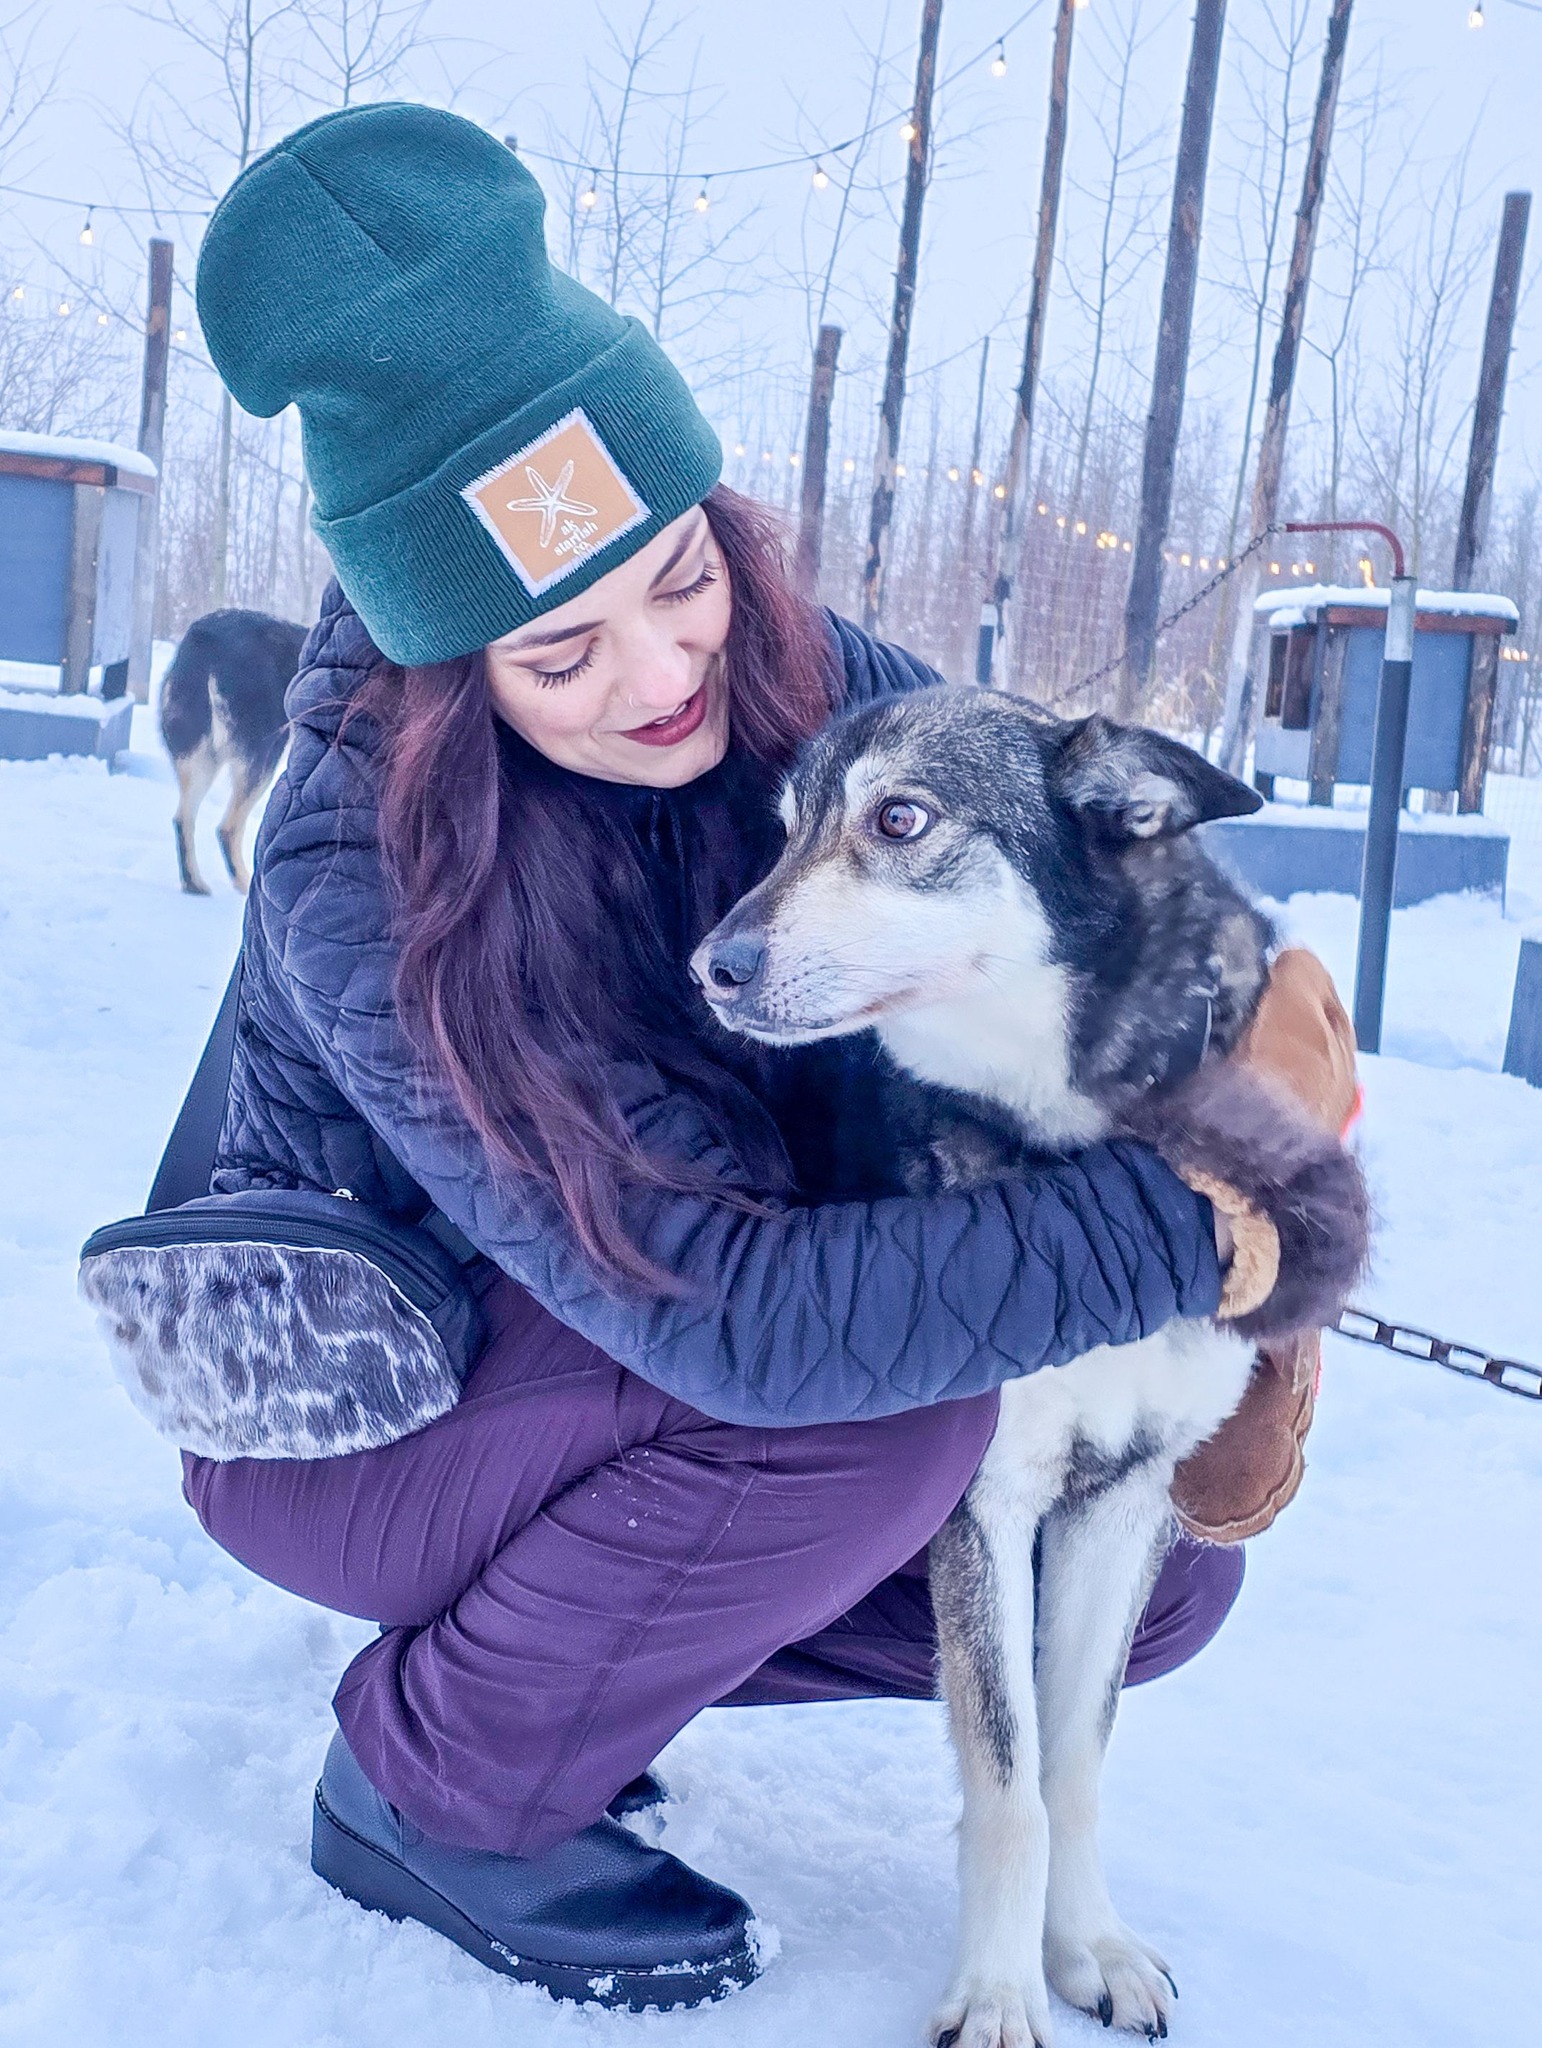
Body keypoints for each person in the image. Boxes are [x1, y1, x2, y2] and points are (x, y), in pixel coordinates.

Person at [182, 102, 1356, 2011]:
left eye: (678, 577)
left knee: (1138, 1567)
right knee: (873, 1413)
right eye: (558, 656)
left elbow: (1058, 843)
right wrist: (1190, 1224)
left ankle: (581, 1663)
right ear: (448, 671)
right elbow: (727, 1311)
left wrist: (1247, 1035)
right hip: (359, 1393)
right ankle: (436, 1781)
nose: (662, 679)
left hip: (617, 1370)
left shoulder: (796, 677)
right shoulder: (356, 865)